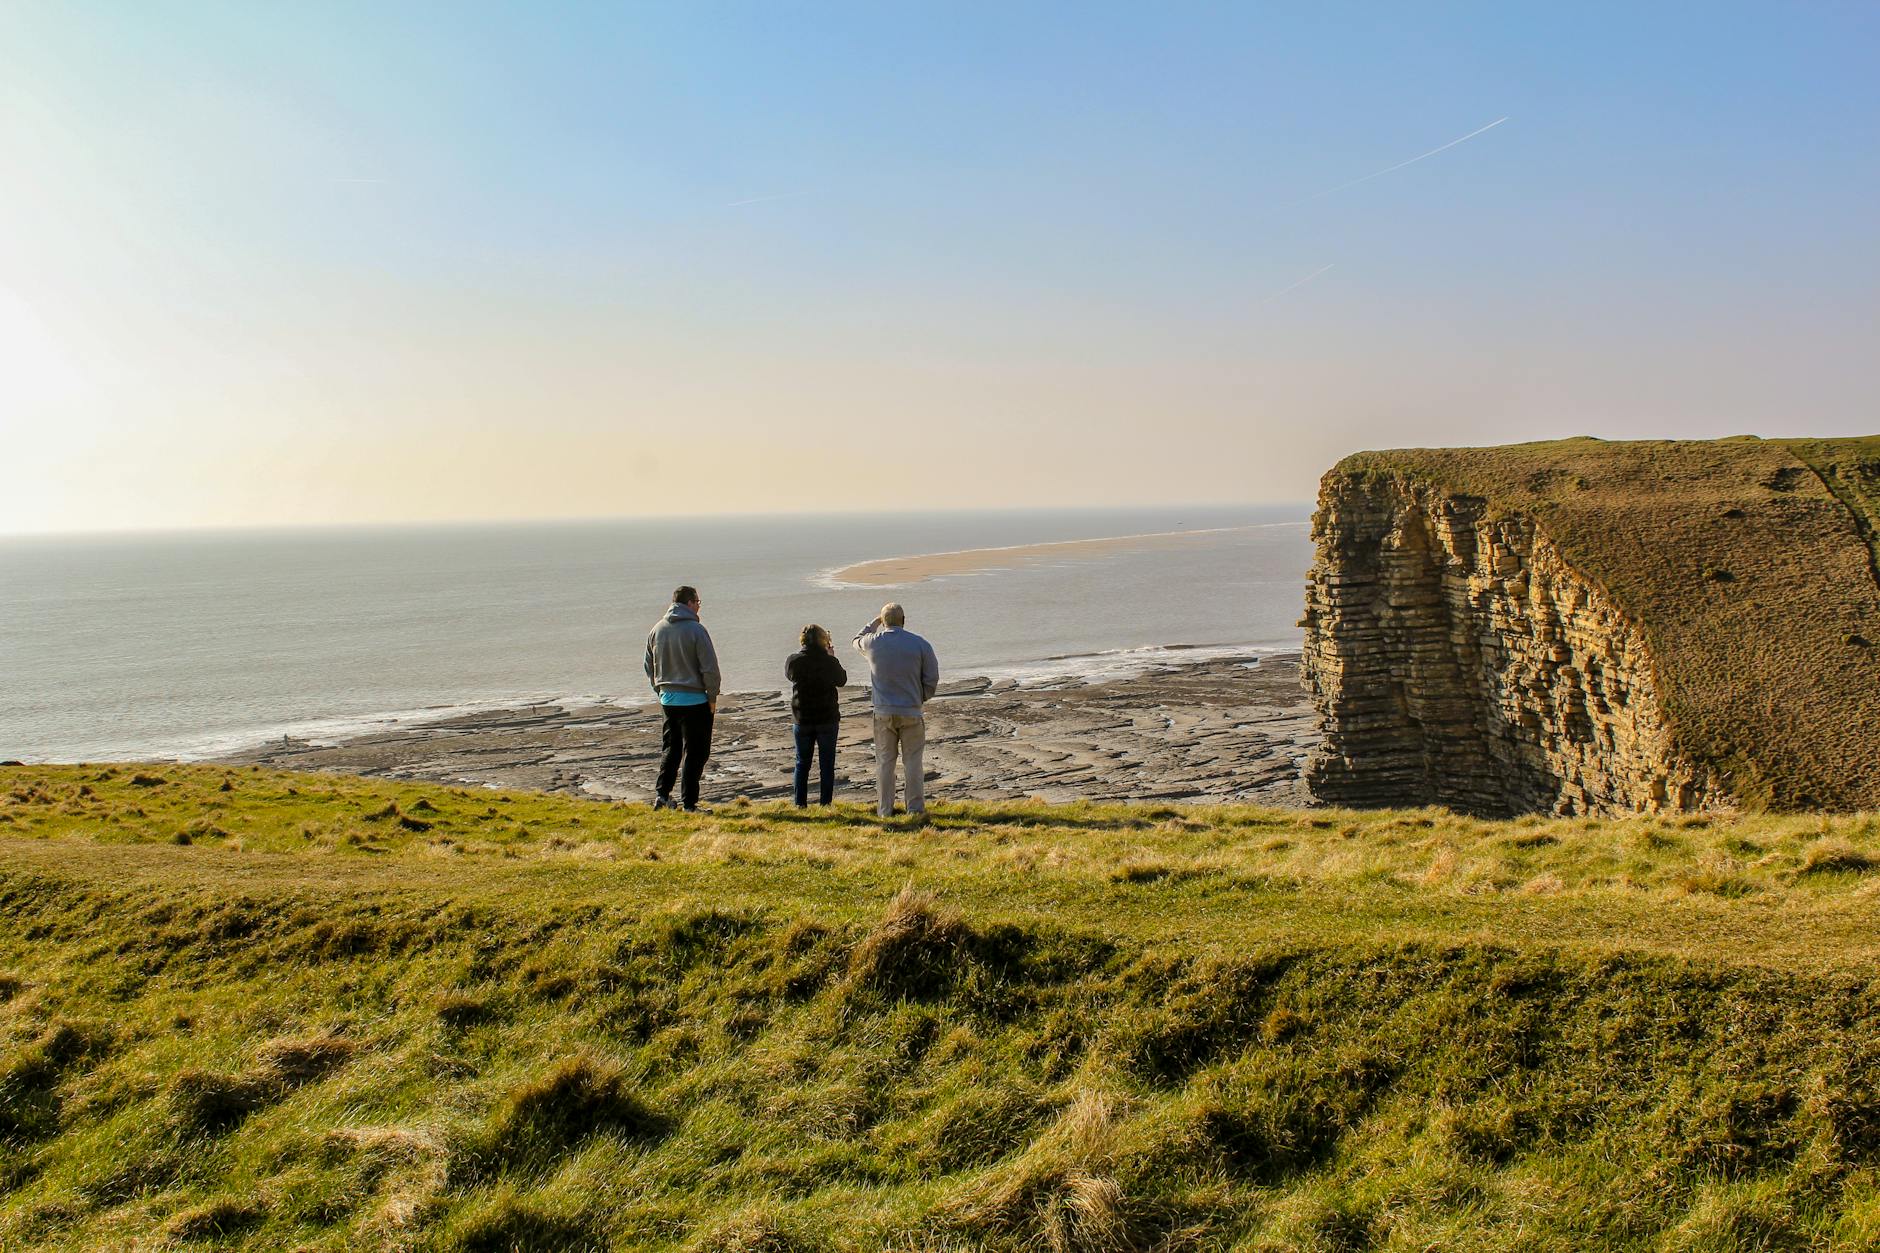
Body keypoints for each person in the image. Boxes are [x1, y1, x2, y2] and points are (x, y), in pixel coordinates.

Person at [853, 602, 939, 818]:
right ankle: (915, 809)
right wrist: (920, 698)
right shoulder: (920, 644)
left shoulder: (873, 642)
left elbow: (856, 640)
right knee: (912, 763)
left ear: (883, 623)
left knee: (884, 762)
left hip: (883, 711)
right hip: (911, 710)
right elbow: (932, 678)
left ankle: (885, 810)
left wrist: (873, 623)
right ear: (904, 620)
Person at [643, 585, 720, 811]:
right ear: (689, 603)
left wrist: (659, 690)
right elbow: (710, 669)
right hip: (695, 701)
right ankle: (689, 804)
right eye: (698, 602)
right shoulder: (697, 630)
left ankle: (662, 795)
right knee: (696, 753)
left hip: (668, 700)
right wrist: (712, 697)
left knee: (672, 748)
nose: (699, 607)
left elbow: (649, 666)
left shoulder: (657, 629)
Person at [784, 624, 847, 806]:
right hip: (827, 718)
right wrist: (832, 657)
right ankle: (825, 803)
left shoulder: (793, 661)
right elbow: (841, 680)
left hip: (802, 718)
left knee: (802, 763)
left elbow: (789, 675)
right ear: (823, 641)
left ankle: (800, 803)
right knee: (827, 764)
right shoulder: (829, 662)